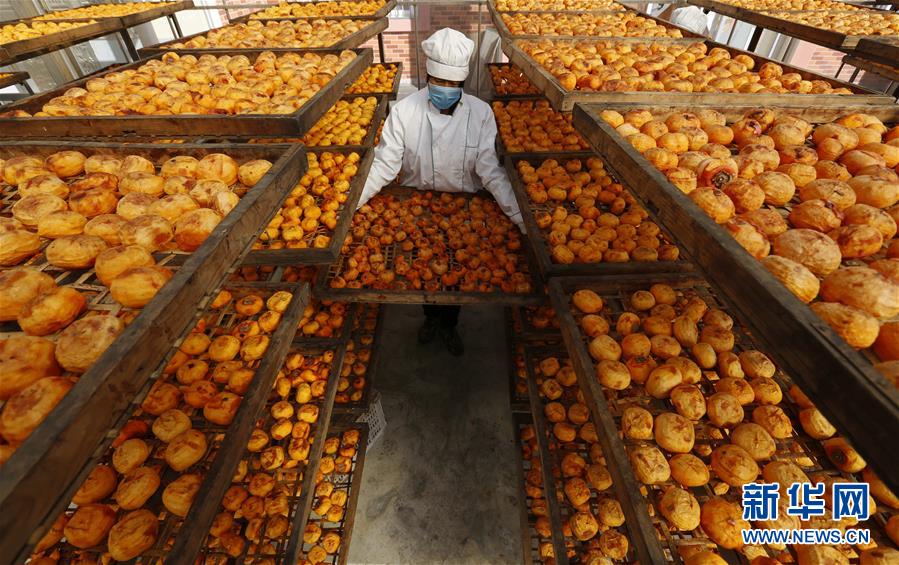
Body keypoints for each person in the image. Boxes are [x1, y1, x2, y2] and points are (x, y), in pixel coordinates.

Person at [357, 27, 523, 357]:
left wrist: (521, 217)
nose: (445, 90)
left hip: (463, 213)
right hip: (417, 209)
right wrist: (348, 207)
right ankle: (430, 318)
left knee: (456, 278)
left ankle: (448, 324)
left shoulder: (480, 114)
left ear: (462, 82)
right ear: (428, 75)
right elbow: (384, 165)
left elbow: (490, 171)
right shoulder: (405, 112)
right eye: (439, 82)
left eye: (453, 84)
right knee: (422, 270)